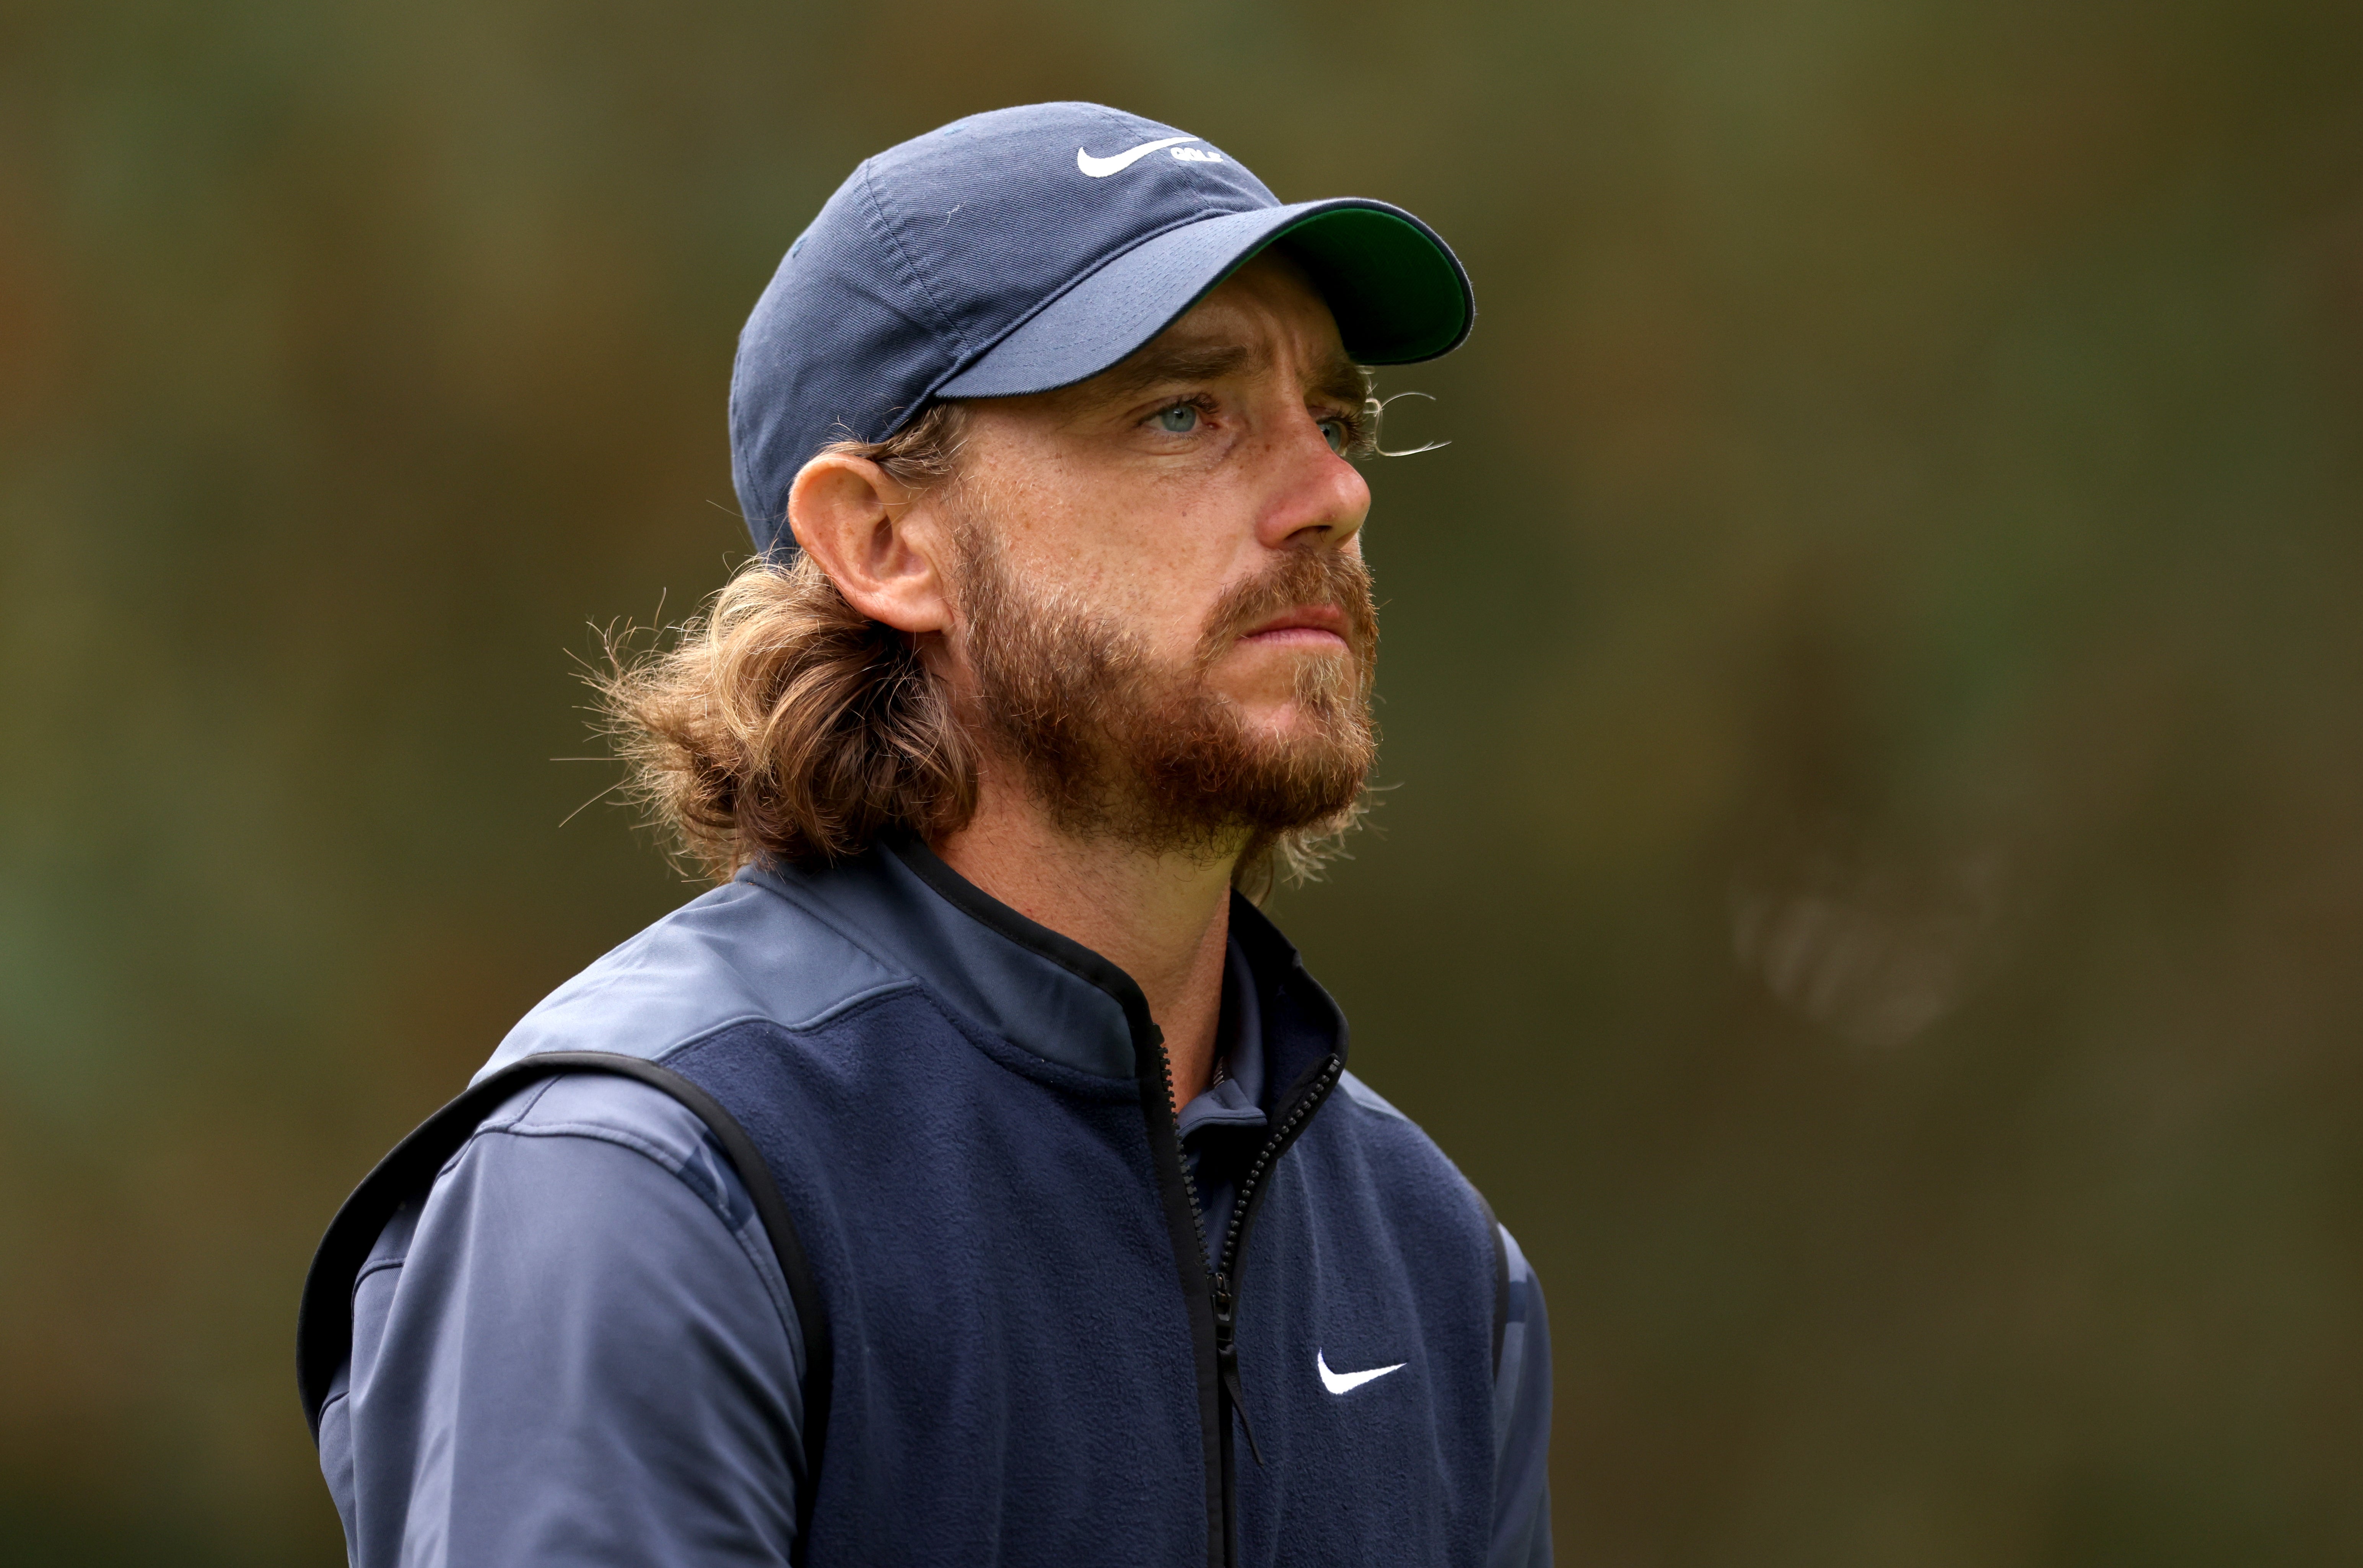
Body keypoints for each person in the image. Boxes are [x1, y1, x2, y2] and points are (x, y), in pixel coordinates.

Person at [298, 101, 1552, 1568]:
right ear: (884, 542)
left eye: (1333, 422)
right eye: (1182, 412)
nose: (1330, 493)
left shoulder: (1434, 1264)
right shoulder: (642, 1183)